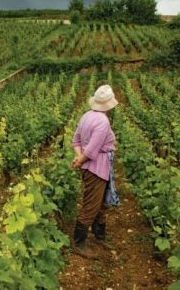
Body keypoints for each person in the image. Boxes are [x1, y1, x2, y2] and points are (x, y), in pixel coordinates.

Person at [71, 84, 119, 259]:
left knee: (101, 202)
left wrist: (78, 158)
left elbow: (76, 140)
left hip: (94, 166)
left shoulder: (86, 116)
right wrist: (81, 160)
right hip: (96, 168)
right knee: (91, 205)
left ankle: (99, 236)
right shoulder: (103, 122)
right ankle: (78, 243)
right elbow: (91, 151)